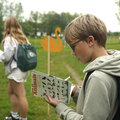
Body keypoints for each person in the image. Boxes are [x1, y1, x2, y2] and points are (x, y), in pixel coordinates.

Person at [45, 14, 120, 120]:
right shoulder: (113, 65)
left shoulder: (98, 78)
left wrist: (60, 107)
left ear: (90, 41)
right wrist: (74, 90)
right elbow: (101, 99)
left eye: (73, 46)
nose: (72, 52)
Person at [0, 17, 29, 120]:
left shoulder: (9, 39)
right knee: (11, 91)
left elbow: (6, 57)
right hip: (23, 69)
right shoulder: (23, 38)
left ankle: (23, 118)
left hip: (16, 70)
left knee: (21, 95)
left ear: (7, 26)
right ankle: (14, 115)